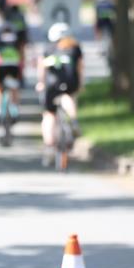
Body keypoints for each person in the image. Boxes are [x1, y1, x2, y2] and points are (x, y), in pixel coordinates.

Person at [37, 23, 84, 166]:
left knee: (49, 115)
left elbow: (42, 69)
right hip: (70, 83)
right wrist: (81, 84)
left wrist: (41, 83)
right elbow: (80, 68)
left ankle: (49, 144)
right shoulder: (75, 48)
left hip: (52, 85)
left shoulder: (48, 49)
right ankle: (74, 121)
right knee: (68, 96)